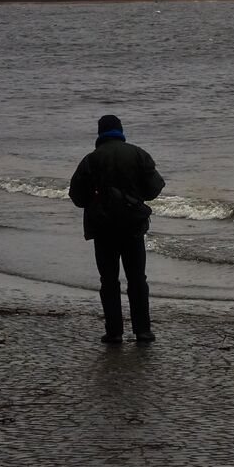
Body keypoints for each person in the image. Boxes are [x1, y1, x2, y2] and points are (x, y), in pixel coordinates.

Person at [68, 114, 166, 344]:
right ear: (121, 131)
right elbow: (154, 190)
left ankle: (114, 332)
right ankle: (143, 330)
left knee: (109, 280)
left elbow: (77, 197)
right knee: (137, 278)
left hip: (103, 229)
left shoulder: (90, 160)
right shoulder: (138, 154)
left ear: (100, 133)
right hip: (133, 227)